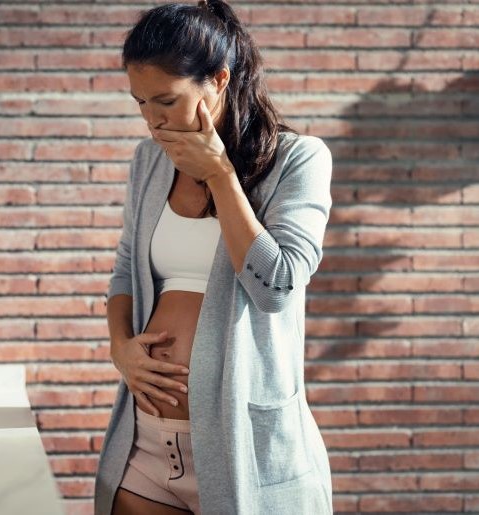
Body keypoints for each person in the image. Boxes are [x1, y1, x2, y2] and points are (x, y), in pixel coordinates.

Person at [93, 1, 334, 514]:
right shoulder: (149, 162)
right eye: (140, 103)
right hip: (147, 450)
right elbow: (124, 274)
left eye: (166, 100)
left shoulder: (298, 160)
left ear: (219, 79)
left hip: (246, 449)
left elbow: (278, 288)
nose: (153, 121)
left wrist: (220, 175)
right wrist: (121, 349)